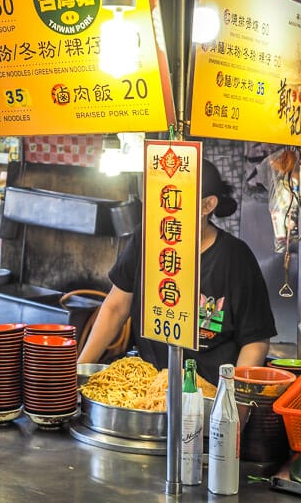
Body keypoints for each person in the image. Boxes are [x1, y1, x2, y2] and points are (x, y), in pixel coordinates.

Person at [77, 159, 277, 386]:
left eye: (176, 200)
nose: (166, 209)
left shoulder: (235, 257)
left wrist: (231, 403)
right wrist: (77, 373)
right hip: (149, 389)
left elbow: (255, 340)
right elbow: (115, 307)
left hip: (208, 394)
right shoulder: (147, 239)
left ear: (207, 205)